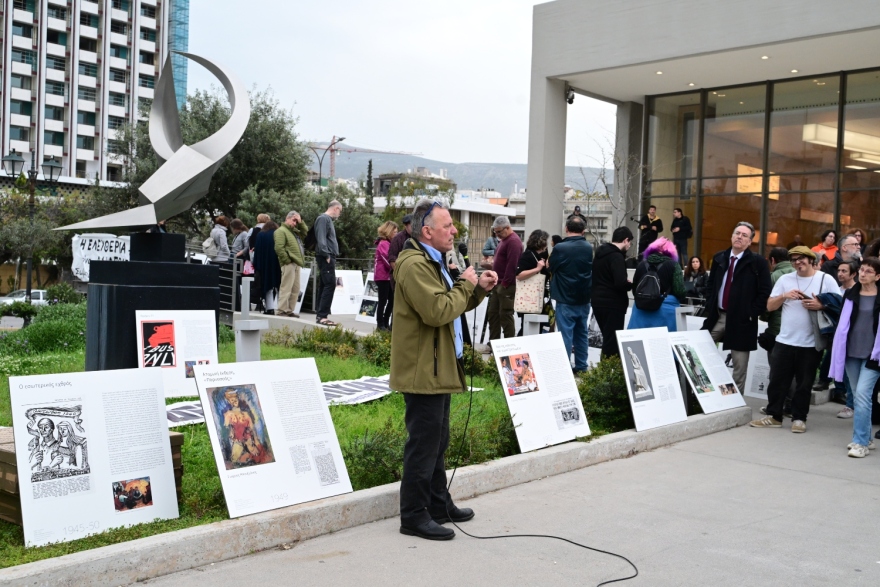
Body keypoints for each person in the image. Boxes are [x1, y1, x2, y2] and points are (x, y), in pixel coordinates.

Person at [391, 199, 497, 541]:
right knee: (424, 444)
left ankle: (438, 504)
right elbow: (437, 311)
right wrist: (466, 284)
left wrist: (477, 290)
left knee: (438, 441)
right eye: (447, 225)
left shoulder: (432, 260)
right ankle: (413, 515)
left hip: (437, 367)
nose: (454, 231)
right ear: (427, 231)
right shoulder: (414, 265)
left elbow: (451, 306)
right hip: (423, 370)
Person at [750, 246, 839, 433]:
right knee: (777, 381)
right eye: (794, 259)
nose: (798, 262)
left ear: (811, 259)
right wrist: (784, 296)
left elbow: (839, 305)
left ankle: (799, 418)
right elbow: (770, 306)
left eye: (801, 258)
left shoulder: (826, 279)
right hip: (784, 341)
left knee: (804, 384)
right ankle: (774, 416)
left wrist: (820, 305)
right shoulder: (785, 279)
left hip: (811, 343)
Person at [702, 221, 772, 394]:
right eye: (737, 233)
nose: (739, 237)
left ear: (750, 241)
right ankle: (706, 394)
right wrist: (710, 304)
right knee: (699, 352)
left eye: (744, 235)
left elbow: (765, 292)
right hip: (718, 316)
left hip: (742, 320)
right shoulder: (720, 258)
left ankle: (734, 400)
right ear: (732, 236)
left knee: (739, 366)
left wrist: (751, 313)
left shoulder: (757, 262)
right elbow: (711, 285)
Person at [830, 257, 880, 457]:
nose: (863, 273)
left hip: (874, 355)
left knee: (862, 395)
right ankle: (867, 438)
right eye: (862, 270)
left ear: (878, 276)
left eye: (869, 271)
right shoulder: (850, 295)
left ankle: (860, 442)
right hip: (851, 353)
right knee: (860, 397)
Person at [548, 216, 593, 375]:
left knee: (565, 334)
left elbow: (551, 266)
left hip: (565, 297)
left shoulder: (560, 248)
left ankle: (564, 368)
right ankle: (581, 366)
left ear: (566, 228)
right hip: (584, 297)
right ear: (583, 230)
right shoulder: (588, 247)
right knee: (581, 333)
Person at [591, 226, 634, 358]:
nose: (629, 246)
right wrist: (629, 284)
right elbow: (620, 282)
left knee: (608, 339)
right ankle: (608, 370)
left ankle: (604, 368)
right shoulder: (616, 256)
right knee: (612, 343)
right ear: (625, 240)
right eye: (630, 242)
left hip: (597, 301)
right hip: (613, 304)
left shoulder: (599, 254)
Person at [627, 237, 686, 332]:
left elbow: (635, 290)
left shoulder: (641, 264)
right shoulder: (674, 265)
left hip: (641, 310)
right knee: (664, 340)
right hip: (666, 311)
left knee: (640, 339)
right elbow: (679, 291)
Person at [487, 216, 522, 342]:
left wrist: (505, 284)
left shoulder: (513, 241)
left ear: (507, 228)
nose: (497, 234)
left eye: (499, 232)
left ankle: (509, 344)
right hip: (498, 283)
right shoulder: (504, 240)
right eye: (495, 232)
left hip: (506, 284)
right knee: (493, 314)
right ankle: (494, 343)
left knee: (505, 315)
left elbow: (512, 265)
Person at [515, 229, 550, 334]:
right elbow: (519, 275)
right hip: (530, 298)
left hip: (537, 297)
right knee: (529, 327)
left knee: (535, 327)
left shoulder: (540, 255)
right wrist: (537, 269)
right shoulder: (529, 255)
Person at [314, 200, 343, 326]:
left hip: (328, 256)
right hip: (326, 256)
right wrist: (326, 255)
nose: (339, 214)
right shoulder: (323, 219)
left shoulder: (326, 220)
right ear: (336, 208)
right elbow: (321, 238)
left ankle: (321, 314)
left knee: (325, 284)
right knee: (330, 284)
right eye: (340, 211)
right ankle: (322, 316)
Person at [274, 211, 307, 318]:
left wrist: (301, 222)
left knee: (295, 289)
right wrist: (287, 260)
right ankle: (281, 310)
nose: (295, 223)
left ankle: (289, 310)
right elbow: (279, 248)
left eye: (296, 222)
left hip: (296, 263)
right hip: (289, 263)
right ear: (287, 218)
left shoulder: (293, 231)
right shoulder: (280, 231)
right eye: (294, 220)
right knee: (286, 287)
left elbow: (305, 233)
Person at [374, 221, 398, 330]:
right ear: (389, 232)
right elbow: (387, 260)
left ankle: (385, 321)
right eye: (394, 232)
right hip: (382, 276)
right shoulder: (383, 244)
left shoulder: (388, 243)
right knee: (383, 301)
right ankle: (380, 324)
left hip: (388, 276)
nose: (396, 234)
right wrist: (395, 269)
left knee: (391, 300)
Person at [253, 221, 281, 315]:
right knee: (279, 286)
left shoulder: (261, 235)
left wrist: (257, 265)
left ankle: (270, 308)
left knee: (267, 286)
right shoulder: (278, 234)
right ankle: (281, 308)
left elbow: (257, 251)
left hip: (265, 264)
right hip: (277, 263)